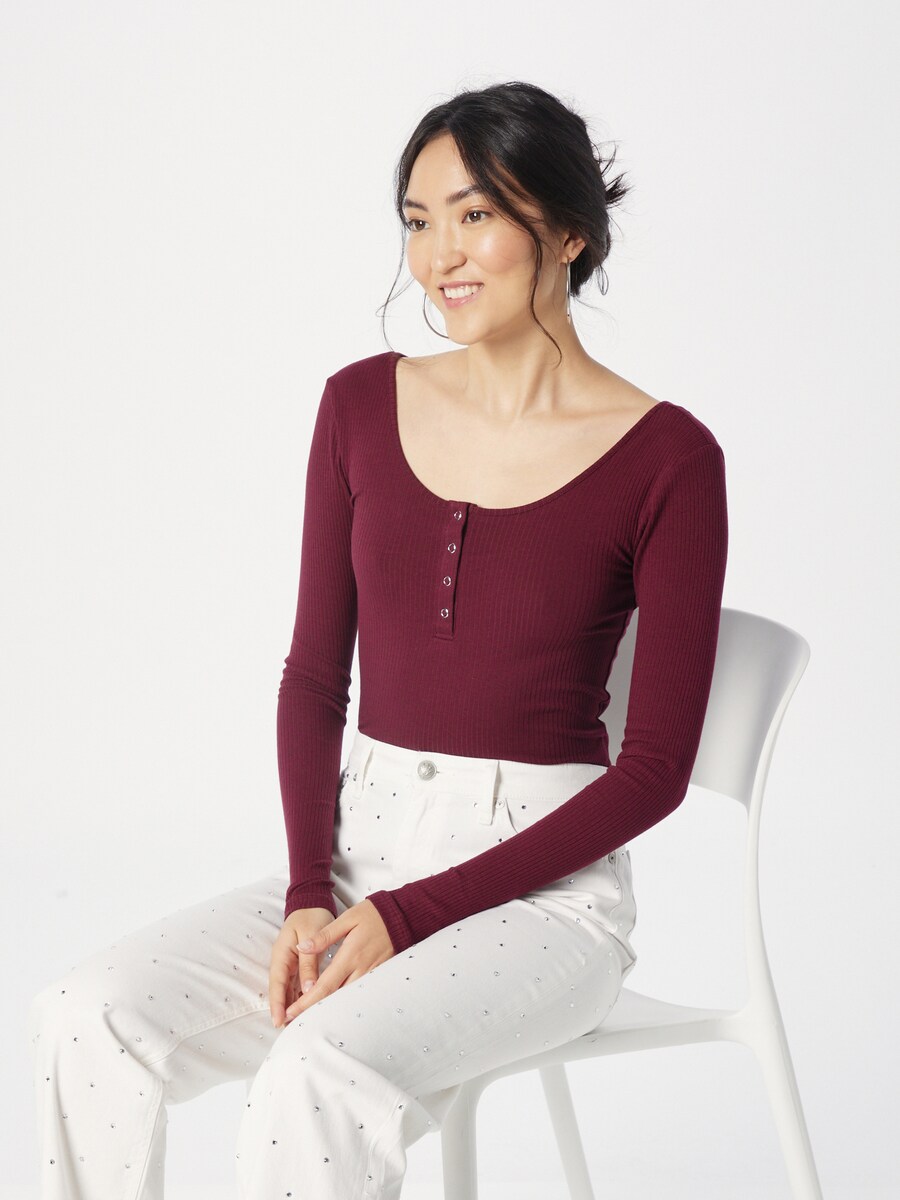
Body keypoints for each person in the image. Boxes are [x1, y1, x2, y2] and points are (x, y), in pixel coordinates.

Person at [27, 80, 728, 1198]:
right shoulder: (359, 405)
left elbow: (654, 773)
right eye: (417, 219)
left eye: (475, 214)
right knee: (88, 1014)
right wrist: (312, 890)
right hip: (357, 861)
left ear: (569, 232)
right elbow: (315, 678)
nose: (439, 254)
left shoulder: (669, 459)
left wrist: (410, 917)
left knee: (319, 1068)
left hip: (544, 902)